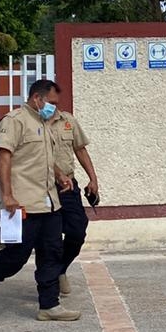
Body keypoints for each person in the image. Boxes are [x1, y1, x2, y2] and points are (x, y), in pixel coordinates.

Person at [0, 79, 79, 322]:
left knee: (51, 253)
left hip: (50, 201)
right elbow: (4, 158)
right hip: (23, 202)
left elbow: (46, 158)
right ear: (37, 98)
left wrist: (59, 175)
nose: (54, 108)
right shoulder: (15, 121)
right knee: (16, 255)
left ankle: (49, 305)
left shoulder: (46, 123)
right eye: (52, 102)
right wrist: (7, 195)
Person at [47, 105, 99, 296]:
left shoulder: (67, 121)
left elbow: (80, 149)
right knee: (49, 237)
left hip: (68, 185)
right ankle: (49, 283)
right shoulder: (32, 122)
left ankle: (60, 269)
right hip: (43, 187)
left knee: (77, 230)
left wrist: (93, 178)